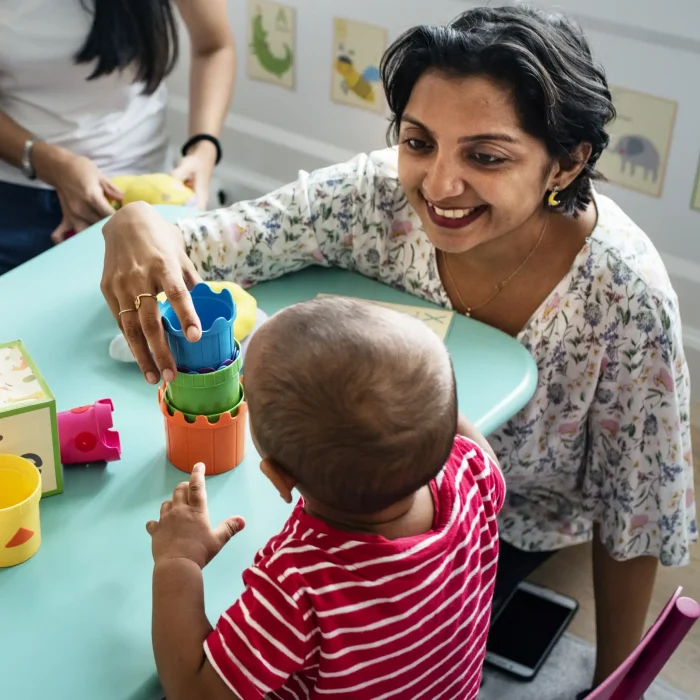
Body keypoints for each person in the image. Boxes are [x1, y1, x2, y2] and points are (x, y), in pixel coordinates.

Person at [100, 5, 697, 694]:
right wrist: (137, 220)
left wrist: (614, 680)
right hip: (371, 493)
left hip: (512, 527)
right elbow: (211, 243)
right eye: (418, 142)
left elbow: (637, 512)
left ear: (567, 162)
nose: (439, 186)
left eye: (486, 156)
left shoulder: (626, 297)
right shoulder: (371, 198)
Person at [147, 297, 504, 700]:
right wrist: (418, 397)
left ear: (281, 480)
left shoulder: (300, 584)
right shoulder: (473, 473)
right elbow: (466, 441)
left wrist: (178, 560)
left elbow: (193, 690)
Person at [0, 0, 235, 275]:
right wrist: (47, 161)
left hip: (143, 189)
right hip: (16, 195)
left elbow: (214, 47)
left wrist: (204, 149)